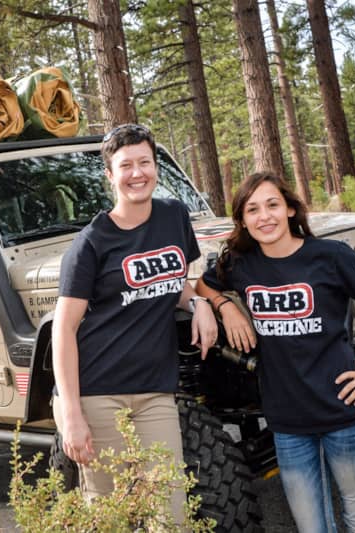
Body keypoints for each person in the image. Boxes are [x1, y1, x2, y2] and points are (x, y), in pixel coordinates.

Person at [197, 172, 355, 533]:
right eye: (253, 209)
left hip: (346, 412)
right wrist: (223, 305)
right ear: (243, 221)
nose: (264, 216)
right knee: (311, 528)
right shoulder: (240, 263)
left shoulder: (330, 255)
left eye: (273, 205)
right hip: (287, 421)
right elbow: (202, 283)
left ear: (291, 209)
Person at [51, 123, 217, 523]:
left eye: (145, 162)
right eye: (126, 165)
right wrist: (71, 413)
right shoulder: (90, 243)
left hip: (155, 392)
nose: (137, 173)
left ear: (156, 167)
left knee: (171, 514)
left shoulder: (174, 216)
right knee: (113, 518)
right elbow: (63, 329)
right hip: (98, 394)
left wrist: (201, 304)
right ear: (110, 175)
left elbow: (173, 282)